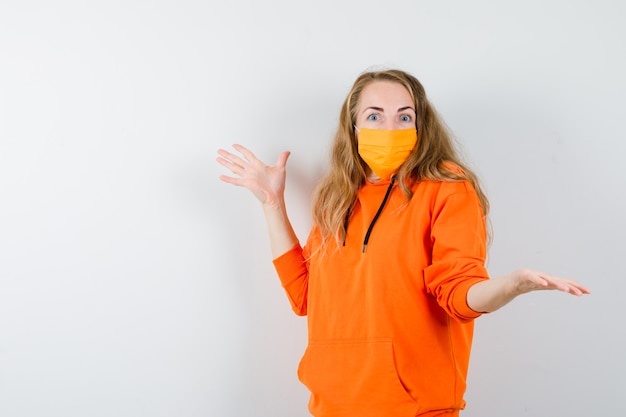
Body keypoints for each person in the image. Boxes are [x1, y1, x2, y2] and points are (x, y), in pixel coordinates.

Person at [216, 69, 590, 417]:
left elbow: (458, 292)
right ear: (355, 126)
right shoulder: (338, 196)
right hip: (331, 405)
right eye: (375, 116)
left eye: (404, 116)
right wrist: (272, 203)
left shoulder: (447, 188)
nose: (390, 127)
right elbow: (305, 297)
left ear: (420, 125)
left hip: (413, 408)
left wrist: (510, 286)